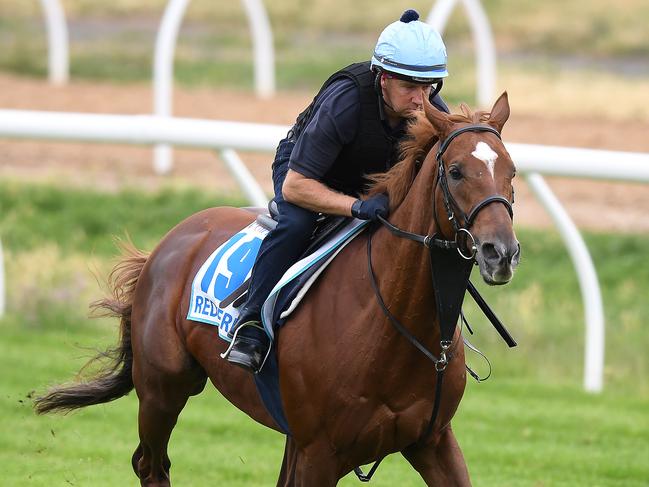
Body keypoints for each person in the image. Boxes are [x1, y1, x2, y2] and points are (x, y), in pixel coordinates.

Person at [224, 8, 451, 373]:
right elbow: (296, 187)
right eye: (409, 86)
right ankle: (251, 323)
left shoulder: (430, 110)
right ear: (382, 79)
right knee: (296, 225)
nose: (420, 101)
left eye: (428, 88)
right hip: (308, 172)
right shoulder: (346, 100)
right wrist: (355, 207)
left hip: (372, 181)